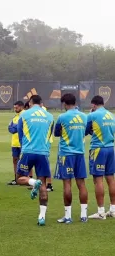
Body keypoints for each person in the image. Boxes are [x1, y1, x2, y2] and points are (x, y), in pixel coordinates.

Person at [16, 95, 54, 226]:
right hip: (43, 153)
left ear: (30, 103)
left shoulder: (25, 115)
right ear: (42, 103)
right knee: (43, 184)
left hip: (28, 151)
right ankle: (42, 217)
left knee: (20, 178)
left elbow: (20, 133)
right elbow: (50, 135)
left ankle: (33, 182)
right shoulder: (49, 116)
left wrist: (24, 147)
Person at [53, 93, 88, 223]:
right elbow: (85, 131)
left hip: (66, 154)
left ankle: (68, 216)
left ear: (65, 104)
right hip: (80, 153)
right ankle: (84, 215)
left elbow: (57, 133)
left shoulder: (62, 117)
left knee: (67, 184)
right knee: (81, 184)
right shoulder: (84, 116)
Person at [85, 95, 115, 219]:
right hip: (110, 148)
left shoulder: (92, 115)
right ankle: (113, 209)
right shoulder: (111, 115)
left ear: (93, 105)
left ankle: (101, 211)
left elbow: (86, 131)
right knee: (111, 178)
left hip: (98, 149)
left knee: (98, 179)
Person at [7, 101, 25, 185]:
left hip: (23, 142)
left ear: (21, 107)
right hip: (14, 142)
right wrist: (16, 127)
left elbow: (16, 128)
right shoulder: (15, 117)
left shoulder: (25, 115)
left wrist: (15, 127)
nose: (15, 109)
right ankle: (16, 178)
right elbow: (10, 128)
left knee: (24, 161)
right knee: (15, 160)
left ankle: (25, 178)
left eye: (16, 107)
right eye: (14, 107)